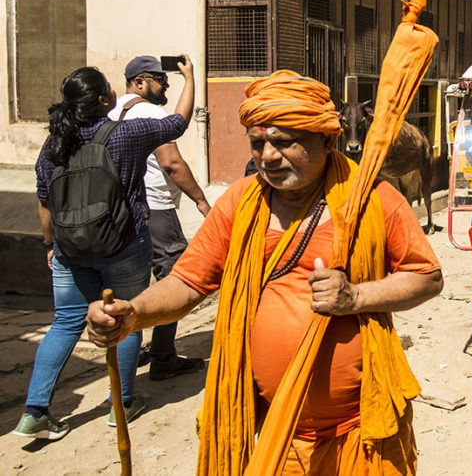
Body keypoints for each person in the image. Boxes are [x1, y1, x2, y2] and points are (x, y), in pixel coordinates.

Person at [86, 70, 443, 474]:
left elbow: (427, 276)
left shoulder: (373, 199)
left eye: (285, 142)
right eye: (258, 143)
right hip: (275, 434)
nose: (269, 156)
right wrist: (133, 314)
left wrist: (356, 298)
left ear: (327, 140)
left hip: (361, 433)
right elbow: (188, 281)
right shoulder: (240, 203)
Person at [13, 60, 194, 441]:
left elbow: (45, 202)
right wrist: (190, 78)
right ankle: (121, 404)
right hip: (125, 245)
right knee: (125, 318)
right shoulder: (127, 134)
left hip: (68, 250)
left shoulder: (53, 145)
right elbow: (178, 122)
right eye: (109, 89)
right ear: (101, 99)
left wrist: (50, 245)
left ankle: (35, 412)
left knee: (65, 323)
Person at [108, 55, 210, 380]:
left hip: (120, 210)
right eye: (159, 79)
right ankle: (163, 356)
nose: (165, 84)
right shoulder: (150, 112)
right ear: (139, 81)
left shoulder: (110, 112)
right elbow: (172, 164)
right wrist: (201, 201)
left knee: (130, 279)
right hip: (154, 207)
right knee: (174, 272)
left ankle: (131, 346)